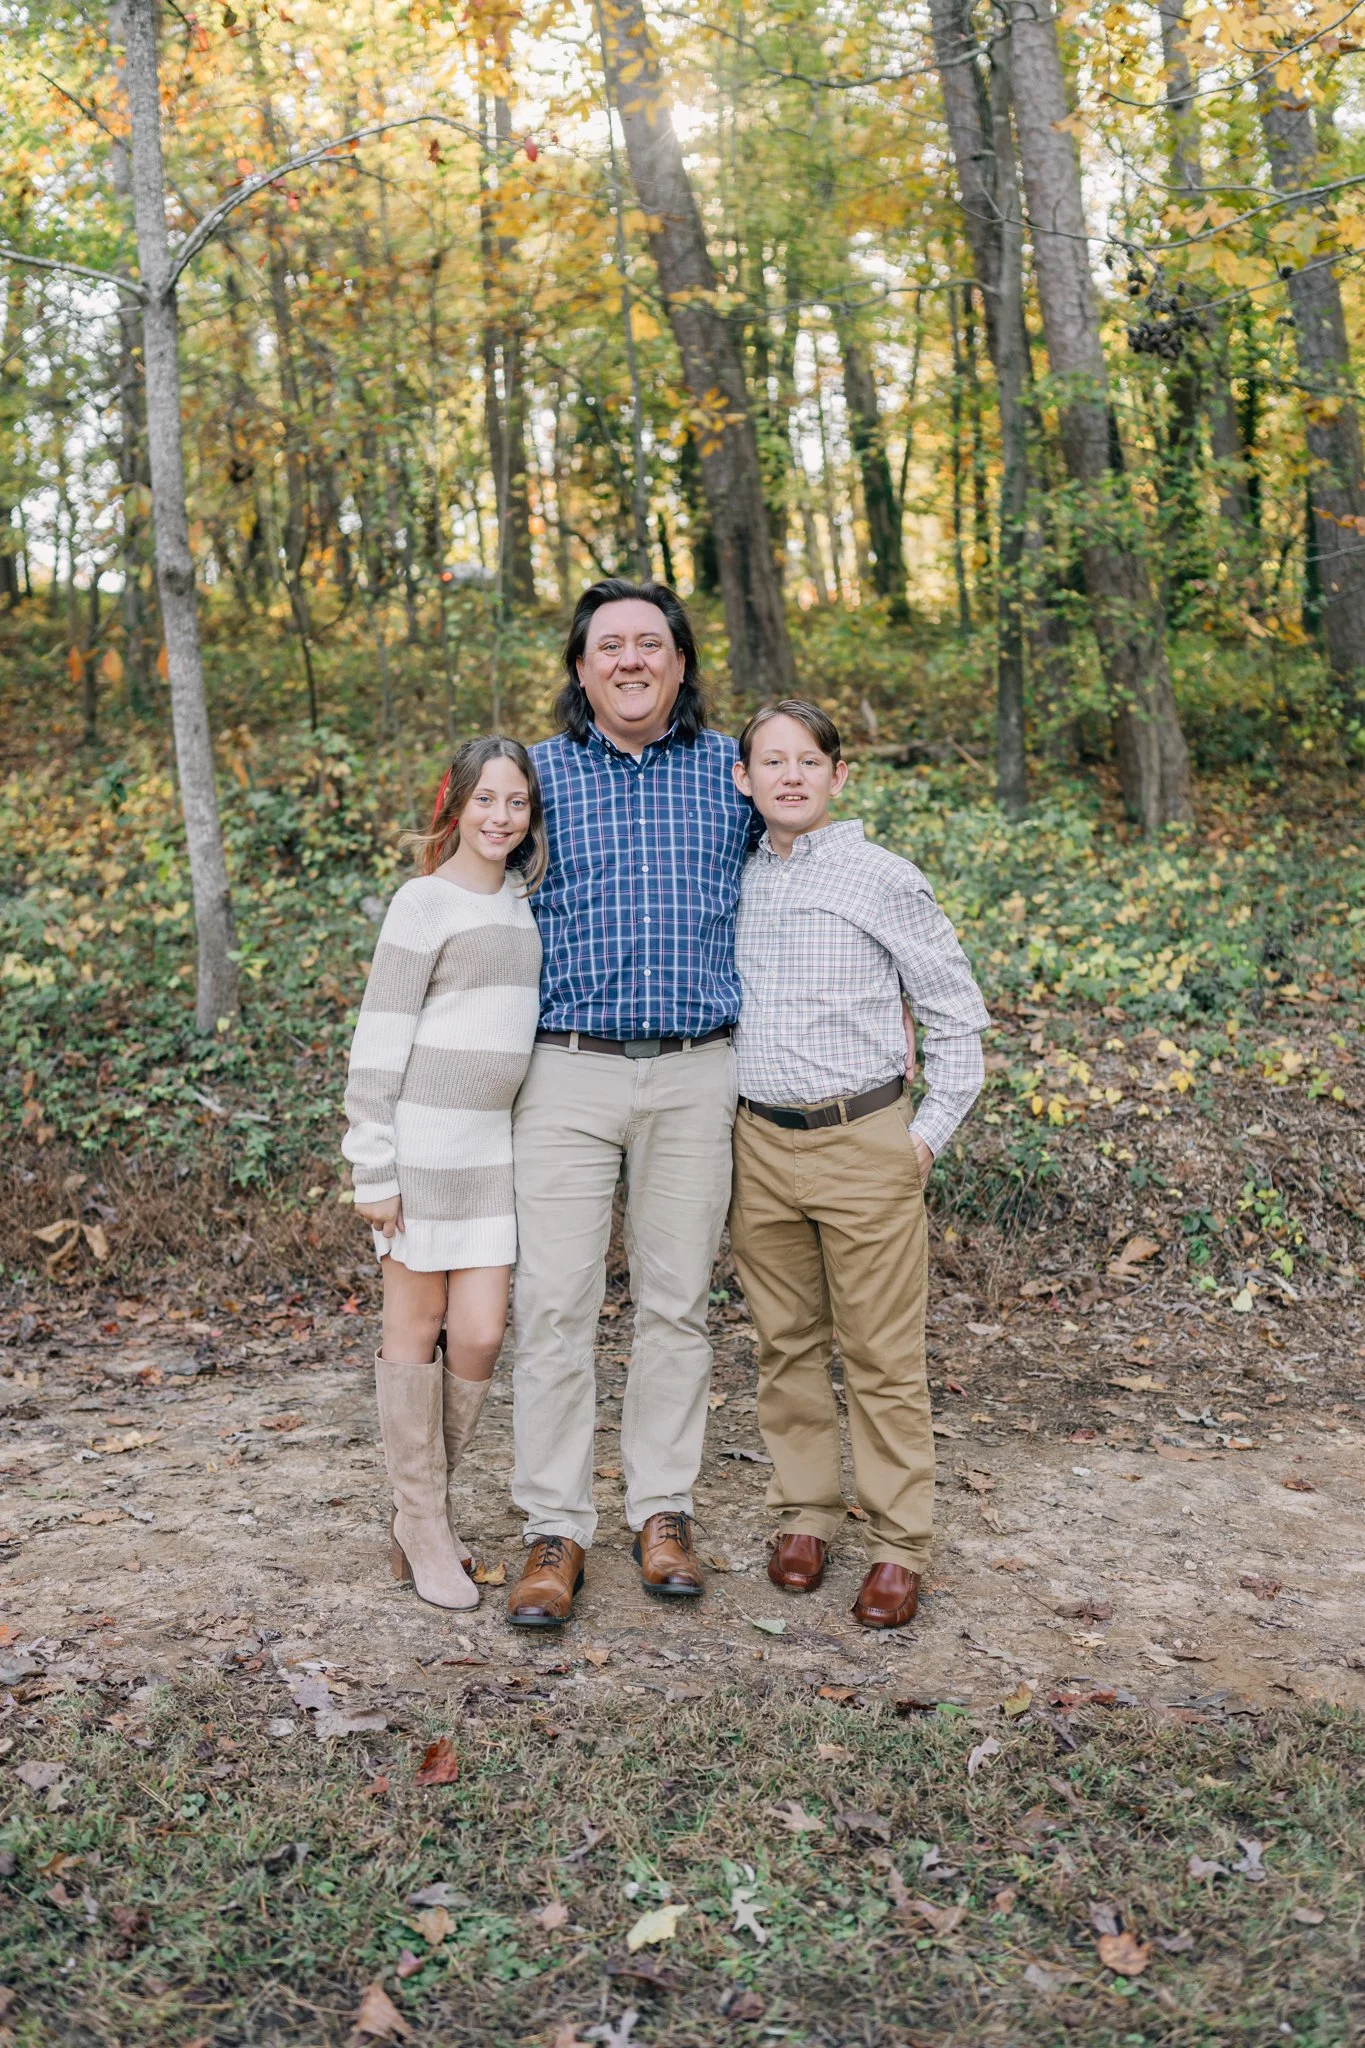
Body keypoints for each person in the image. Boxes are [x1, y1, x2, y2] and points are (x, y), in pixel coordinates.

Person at [505, 579, 757, 1628]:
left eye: (650, 643)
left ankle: (662, 1510)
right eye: (608, 645)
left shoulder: (736, 773)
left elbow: (805, 872)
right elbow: (463, 896)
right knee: (554, 1303)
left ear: (681, 663)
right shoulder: (534, 778)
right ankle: (555, 1526)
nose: (630, 660)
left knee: (676, 1302)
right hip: (566, 1069)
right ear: (580, 668)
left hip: (697, 1069)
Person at [727, 699, 990, 1630]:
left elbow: (956, 1016)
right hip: (757, 1143)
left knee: (880, 1354)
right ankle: (804, 1514)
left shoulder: (884, 878)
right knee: (784, 1343)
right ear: (743, 779)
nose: (790, 775)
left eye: (809, 760)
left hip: (864, 1138)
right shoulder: (734, 876)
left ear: (839, 776)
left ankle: (897, 1543)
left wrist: (925, 1135)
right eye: (771, 761)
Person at [343, 737, 546, 1610]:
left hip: (492, 1154)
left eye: (516, 802)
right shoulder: (421, 902)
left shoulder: (525, 902)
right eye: (485, 800)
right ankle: (426, 1525)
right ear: (456, 806)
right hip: (422, 1148)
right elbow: (379, 1038)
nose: (500, 817)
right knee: (415, 1325)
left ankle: (416, 1512)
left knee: (480, 1335)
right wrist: (373, 1166)